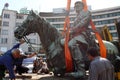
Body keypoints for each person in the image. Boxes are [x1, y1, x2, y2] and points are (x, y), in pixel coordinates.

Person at [65, 1, 93, 78]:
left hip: (83, 34)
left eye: (78, 5)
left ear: (82, 6)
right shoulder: (76, 17)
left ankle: (81, 70)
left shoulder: (86, 12)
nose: (76, 7)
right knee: (62, 42)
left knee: (72, 44)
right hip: (75, 35)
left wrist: (73, 30)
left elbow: (83, 22)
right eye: (75, 6)